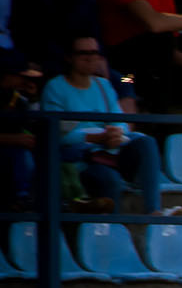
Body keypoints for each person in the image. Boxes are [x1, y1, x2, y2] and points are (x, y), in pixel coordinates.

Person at [39, 36, 164, 215]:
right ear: (69, 57)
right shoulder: (55, 87)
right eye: (83, 53)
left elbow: (119, 120)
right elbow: (58, 135)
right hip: (80, 159)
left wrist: (116, 134)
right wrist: (96, 137)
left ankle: (154, 210)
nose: (90, 58)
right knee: (109, 178)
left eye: (95, 53)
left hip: (110, 151)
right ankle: (112, 232)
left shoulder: (106, 84)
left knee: (146, 142)